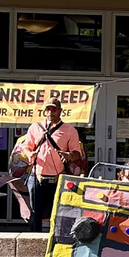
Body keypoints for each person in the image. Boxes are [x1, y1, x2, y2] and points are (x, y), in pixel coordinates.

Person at [19, 99, 84, 232]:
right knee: (35, 211)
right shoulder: (35, 127)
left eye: (53, 109)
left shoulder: (69, 130)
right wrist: (30, 154)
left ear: (60, 111)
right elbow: (26, 147)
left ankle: (55, 242)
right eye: (48, 109)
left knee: (57, 212)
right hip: (36, 175)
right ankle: (33, 241)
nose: (50, 112)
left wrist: (69, 155)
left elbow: (77, 153)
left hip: (57, 177)